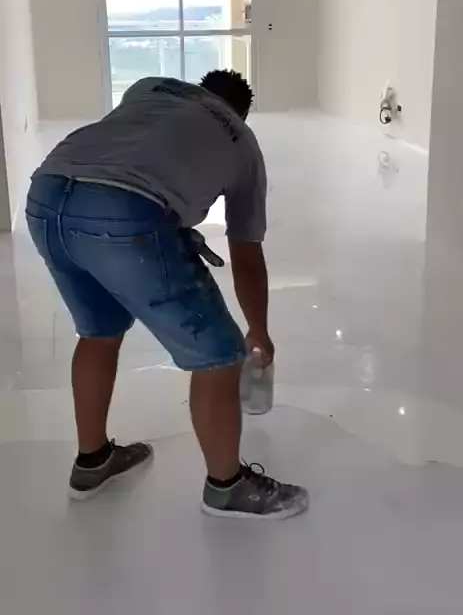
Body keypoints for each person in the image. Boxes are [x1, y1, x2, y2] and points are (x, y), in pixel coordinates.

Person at [26, 71, 308, 519]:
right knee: (220, 356)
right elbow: (246, 253)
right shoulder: (242, 142)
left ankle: (93, 461)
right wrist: (258, 329)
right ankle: (227, 487)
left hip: (46, 195)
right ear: (241, 113)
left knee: (98, 332)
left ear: (200, 89)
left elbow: (140, 145)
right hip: (124, 210)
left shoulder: (149, 87)